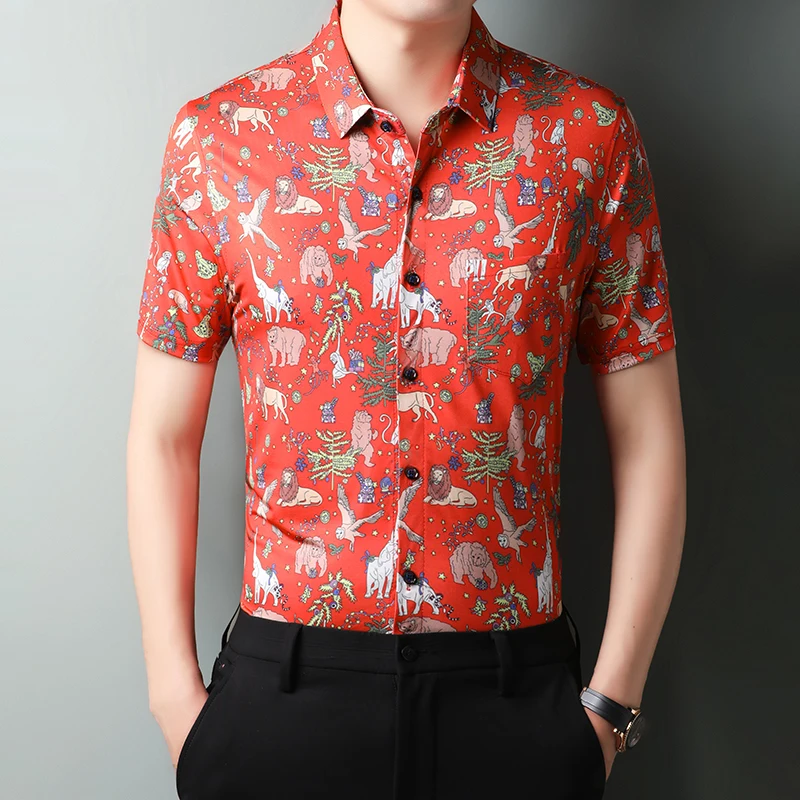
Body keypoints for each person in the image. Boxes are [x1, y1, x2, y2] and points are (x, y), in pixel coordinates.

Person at [127, 0, 686, 797]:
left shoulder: (589, 136)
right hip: (280, 711)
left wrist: (609, 709)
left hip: (516, 712)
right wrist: (175, 703)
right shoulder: (218, 140)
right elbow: (163, 436)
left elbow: (648, 436)